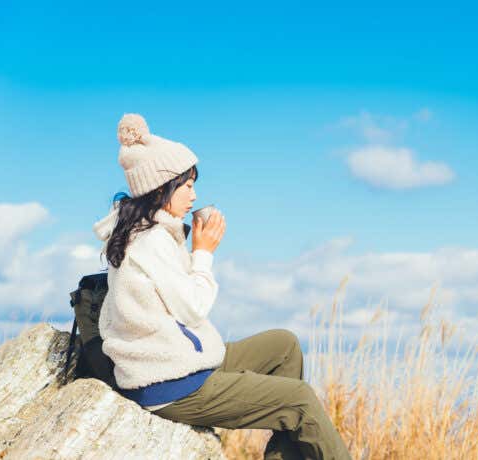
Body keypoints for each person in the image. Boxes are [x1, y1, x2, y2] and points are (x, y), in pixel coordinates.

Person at [93, 113, 352, 460]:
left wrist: (191, 247)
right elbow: (192, 308)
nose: (194, 194)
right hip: (171, 383)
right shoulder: (150, 242)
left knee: (284, 346)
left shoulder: (151, 232)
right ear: (161, 188)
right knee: (300, 400)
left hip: (180, 361)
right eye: (186, 185)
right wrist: (203, 253)